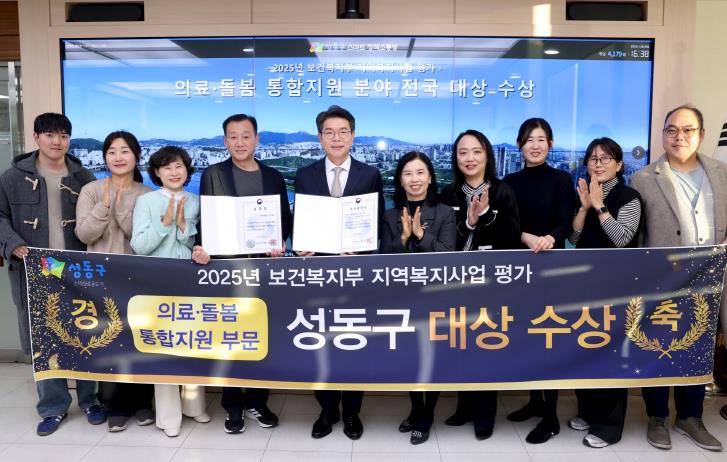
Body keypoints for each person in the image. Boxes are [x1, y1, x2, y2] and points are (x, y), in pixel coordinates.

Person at [0, 112, 106, 436]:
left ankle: (90, 400)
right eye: (49, 135)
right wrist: (14, 243)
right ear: (36, 137)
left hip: (75, 270)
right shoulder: (12, 177)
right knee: (44, 340)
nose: (56, 141)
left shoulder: (83, 176)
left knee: (85, 332)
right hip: (34, 268)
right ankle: (52, 407)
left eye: (62, 135)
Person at [630, 104, 724, 452]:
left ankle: (690, 417)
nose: (679, 136)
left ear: (701, 134)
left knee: (698, 348)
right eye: (671, 130)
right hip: (661, 282)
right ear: (663, 135)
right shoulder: (644, 178)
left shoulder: (721, 174)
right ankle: (657, 417)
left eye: (687, 130)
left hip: (709, 279)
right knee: (659, 347)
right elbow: (638, 236)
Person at [191, 113, 292, 435]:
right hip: (226, 269)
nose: (240, 142)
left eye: (246, 136)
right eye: (233, 136)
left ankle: (258, 402)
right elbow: (206, 221)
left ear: (257, 139)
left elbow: (284, 220)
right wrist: (201, 248)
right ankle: (232, 405)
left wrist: (277, 244)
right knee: (230, 338)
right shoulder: (213, 174)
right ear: (225, 141)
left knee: (262, 336)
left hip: (262, 269)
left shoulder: (273, 177)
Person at [294, 105, 385, 440]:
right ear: (320, 137)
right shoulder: (305, 174)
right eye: (329, 132)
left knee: (353, 343)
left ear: (353, 136)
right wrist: (300, 246)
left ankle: (351, 413)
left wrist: (362, 248)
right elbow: (299, 220)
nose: (336, 138)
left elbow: (377, 222)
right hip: (318, 273)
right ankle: (327, 409)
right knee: (319, 343)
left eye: (343, 131)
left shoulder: (370, 174)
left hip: (354, 272)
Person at [438, 129, 520, 440]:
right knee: (460, 344)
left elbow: (512, 237)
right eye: (463, 152)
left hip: (491, 284)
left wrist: (485, 215)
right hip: (456, 284)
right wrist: (469, 222)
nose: (469, 158)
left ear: (487, 155)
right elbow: (445, 241)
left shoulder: (503, 191)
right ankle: (464, 408)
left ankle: (485, 415)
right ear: (456, 158)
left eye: (476, 151)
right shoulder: (449, 195)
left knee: (486, 346)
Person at [75, 130, 155, 432]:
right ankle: (114, 405)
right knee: (108, 341)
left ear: (136, 156)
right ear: (105, 157)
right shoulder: (91, 190)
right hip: (100, 279)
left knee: (139, 339)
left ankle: (142, 403)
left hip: (138, 278)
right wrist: (104, 205)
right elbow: (84, 234)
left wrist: (120, 206)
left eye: (125, 151)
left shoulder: (147, 195)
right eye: (111, 151)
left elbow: (142, 239)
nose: (118, 157)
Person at [502, 118, 574, 444]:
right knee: (526, 337)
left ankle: (551, 416)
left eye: (541, 139)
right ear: (520, 145)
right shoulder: (510, 182)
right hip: (520, 267)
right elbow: (506, 223)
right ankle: (534, 401)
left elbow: (566, 221)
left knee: (548, 337)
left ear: (550, 144)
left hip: (550, 265)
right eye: (529, 139)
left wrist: (550, 238)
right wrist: (526, 237)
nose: (535, 145)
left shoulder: (561, 179)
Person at [568, 137, 642, 448]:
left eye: (606, 158)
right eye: (593, 159)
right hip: (585, 284)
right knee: (585, 347)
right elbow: (573, 239)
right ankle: (587, 411)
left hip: (615, 287)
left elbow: (622, 239)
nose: (598, 164)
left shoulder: (629, 197)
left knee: (610, 352)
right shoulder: (586, 192)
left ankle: (609, 426)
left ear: (619, 164)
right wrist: (585, 207)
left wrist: (599, 206)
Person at [131, 146, 210, 437]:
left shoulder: (196, 201)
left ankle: (194, 405)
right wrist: (166, 224)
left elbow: (196, 244)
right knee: (163, 346)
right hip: (157, 283)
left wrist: (186, 229)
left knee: (193, 341)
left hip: (190, 280)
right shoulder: (146, 202)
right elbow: (139, 246)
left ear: (187, 171)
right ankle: (168, 416)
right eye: (167, 167)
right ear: (156, 172)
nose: (174, 173)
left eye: (179, 167)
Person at [379, 151, 456, 445]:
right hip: (401, 297)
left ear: (430, 177)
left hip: (435, 297)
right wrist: (402, 238)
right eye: (408, 173)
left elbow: (448, 256)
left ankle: (426, 415)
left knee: (432, 357)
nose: (415, 179)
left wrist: (421, 236)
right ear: (400, 179)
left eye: (421, 172)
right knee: (410, 357)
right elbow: (382, 259)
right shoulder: (390, 215)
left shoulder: (445, 212)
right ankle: (415, 408)